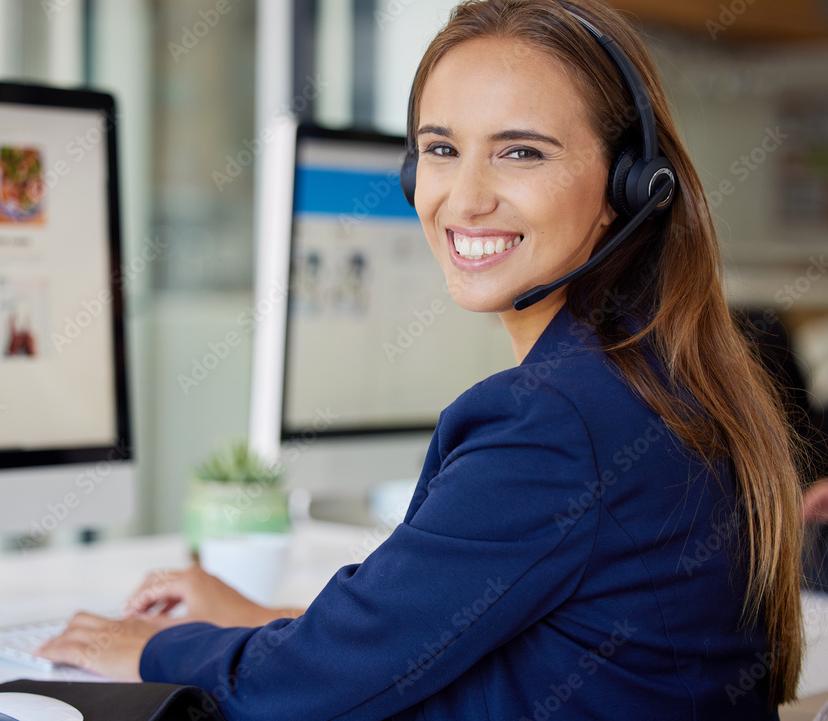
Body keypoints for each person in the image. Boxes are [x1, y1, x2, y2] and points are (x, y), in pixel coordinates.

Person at [39, 1, 804, 718]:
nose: (464, 199)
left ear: (627, 188)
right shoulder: (658, 374)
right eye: (441, 149)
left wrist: (153, 647)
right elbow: (452, 633)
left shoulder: (558, 418)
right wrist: (264, 619)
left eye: (520, 152)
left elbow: (310, 691)